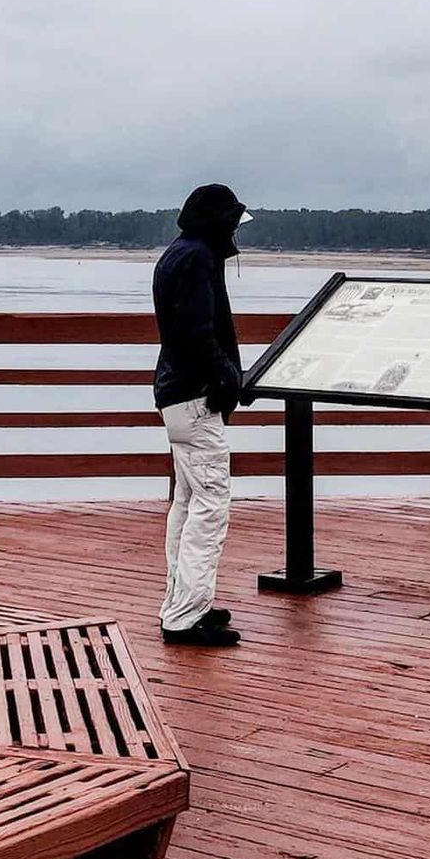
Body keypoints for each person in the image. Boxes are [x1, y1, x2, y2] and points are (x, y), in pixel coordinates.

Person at [153, 183, 251, 647]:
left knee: (189, 501)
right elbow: (198, 331)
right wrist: (227, 376)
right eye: (232, 223)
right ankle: (185, 616)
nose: (235, 234)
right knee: (211, 502)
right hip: (195, 398)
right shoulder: (196, 260)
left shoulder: (178, 254)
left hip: (177, 396)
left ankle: (183, 601)